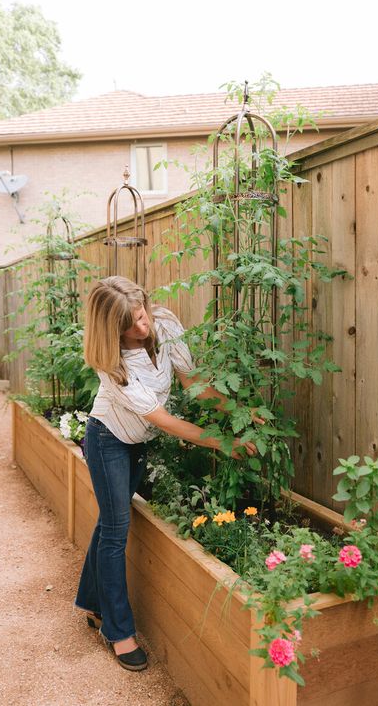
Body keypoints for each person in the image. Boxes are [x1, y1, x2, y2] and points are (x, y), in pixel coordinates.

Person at [74, 275, 263, 671]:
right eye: (131, 325)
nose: (143, 328)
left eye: (142, 315)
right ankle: (119, 631)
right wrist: (222, 443)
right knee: (115, 531)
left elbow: (193, 384)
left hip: (135, 440)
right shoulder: (114, 366)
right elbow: (164, 419)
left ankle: (92, 603)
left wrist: (239, 414)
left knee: (110, 521)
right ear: (111, 329)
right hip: (108, 438)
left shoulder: (165, 325)